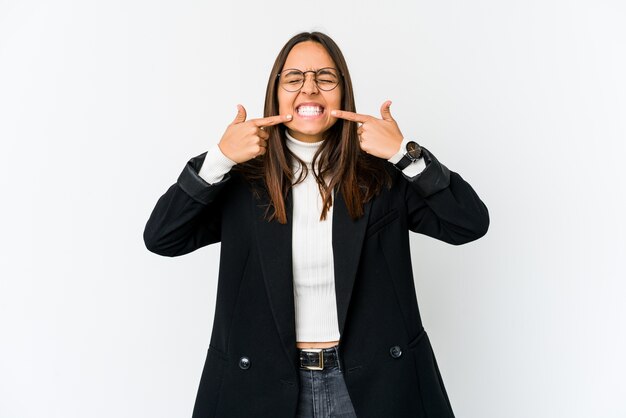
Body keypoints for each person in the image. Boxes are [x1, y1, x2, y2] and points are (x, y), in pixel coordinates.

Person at [144, 31, 489, 418]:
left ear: (343, 92)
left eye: (325, 78)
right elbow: (162, 237)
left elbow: (469, 223)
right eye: (294, 79)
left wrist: (403, 152)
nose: (309, 89)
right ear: (276, 91)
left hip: (373, 387)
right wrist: (219, 158)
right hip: (263, 389)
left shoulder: (382, 175)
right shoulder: (241, 180)